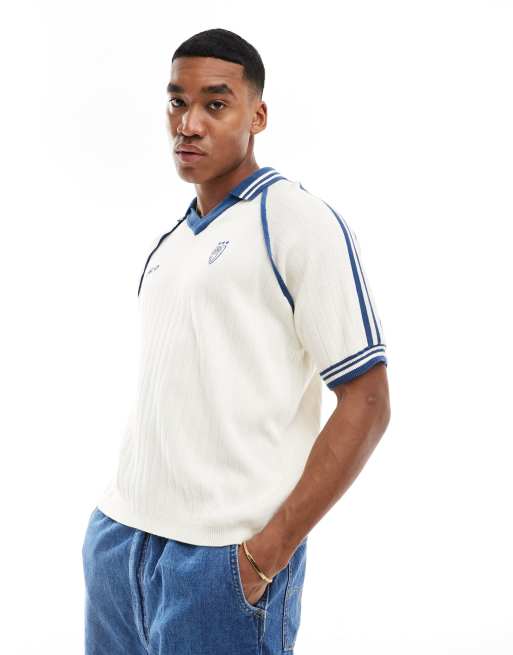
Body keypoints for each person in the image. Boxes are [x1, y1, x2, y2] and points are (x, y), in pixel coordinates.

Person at [81, 27, 391, 655]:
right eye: (177, 102)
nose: (188, 123)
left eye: (215, 104)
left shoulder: (295, 220)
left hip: (222, 564)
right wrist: (109, 534)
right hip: (120, 543)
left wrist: (266, 553)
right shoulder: (172, 244)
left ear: (258, 115)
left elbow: (367, 401)